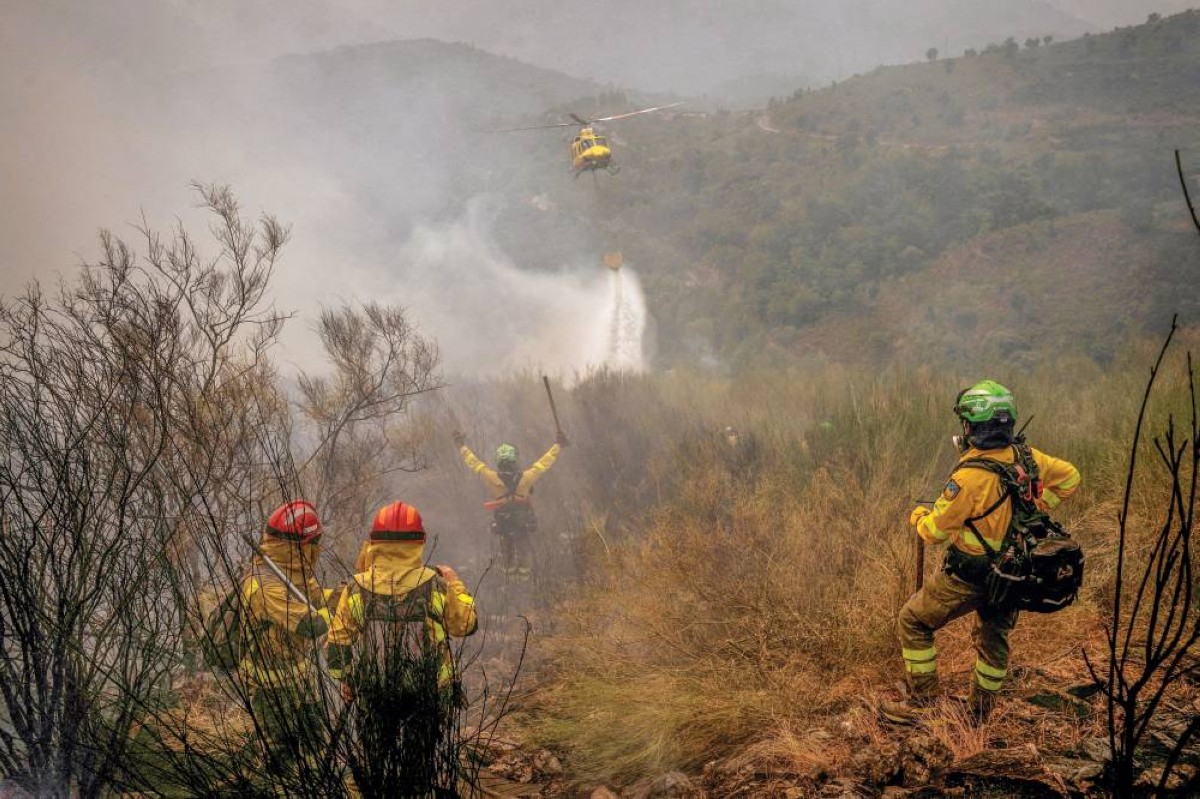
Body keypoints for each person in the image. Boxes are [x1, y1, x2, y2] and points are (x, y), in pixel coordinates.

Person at [879, 380, 1081, 724]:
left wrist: (918, 517)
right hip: (1015, 573)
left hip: (970, 574)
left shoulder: (969, 476)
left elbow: (934, 532)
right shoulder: (1028, 457)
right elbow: (1071, 477)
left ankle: (922, 703)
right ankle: (980, 714)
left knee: (913, 620)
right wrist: (1038, 509)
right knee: (993, 637)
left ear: (972, 426)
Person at [326, 501, 478, 796]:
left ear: (373, 544)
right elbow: (466, 626)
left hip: (374, 692)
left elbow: (337, 645)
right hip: (428, 692)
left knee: (374, 768)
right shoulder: (436, 585)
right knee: (418, 768)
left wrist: (347, 680)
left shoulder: (356, 588)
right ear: (420, 541)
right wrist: (456, 585)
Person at [239, 500, 332, 774]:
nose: (318, 548)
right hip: (270, 689)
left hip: (299, 681)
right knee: (280, 757)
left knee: (316, 746)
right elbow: (309, 624)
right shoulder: (262, 585)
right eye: (315, 541)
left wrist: (344, 596)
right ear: (301, 544)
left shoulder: (295, 571)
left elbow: (315, 599)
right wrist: (339, 618)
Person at [453, 431, 567, 576]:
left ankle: (510, 578)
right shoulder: (526, 478)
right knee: (523, 551)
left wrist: (462, 447)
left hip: (504, 524)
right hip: (521, 524)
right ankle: (524, 577)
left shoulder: (491, 478)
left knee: (506, 553)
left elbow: (475, 464)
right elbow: (544, 463)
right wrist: (558, 446)